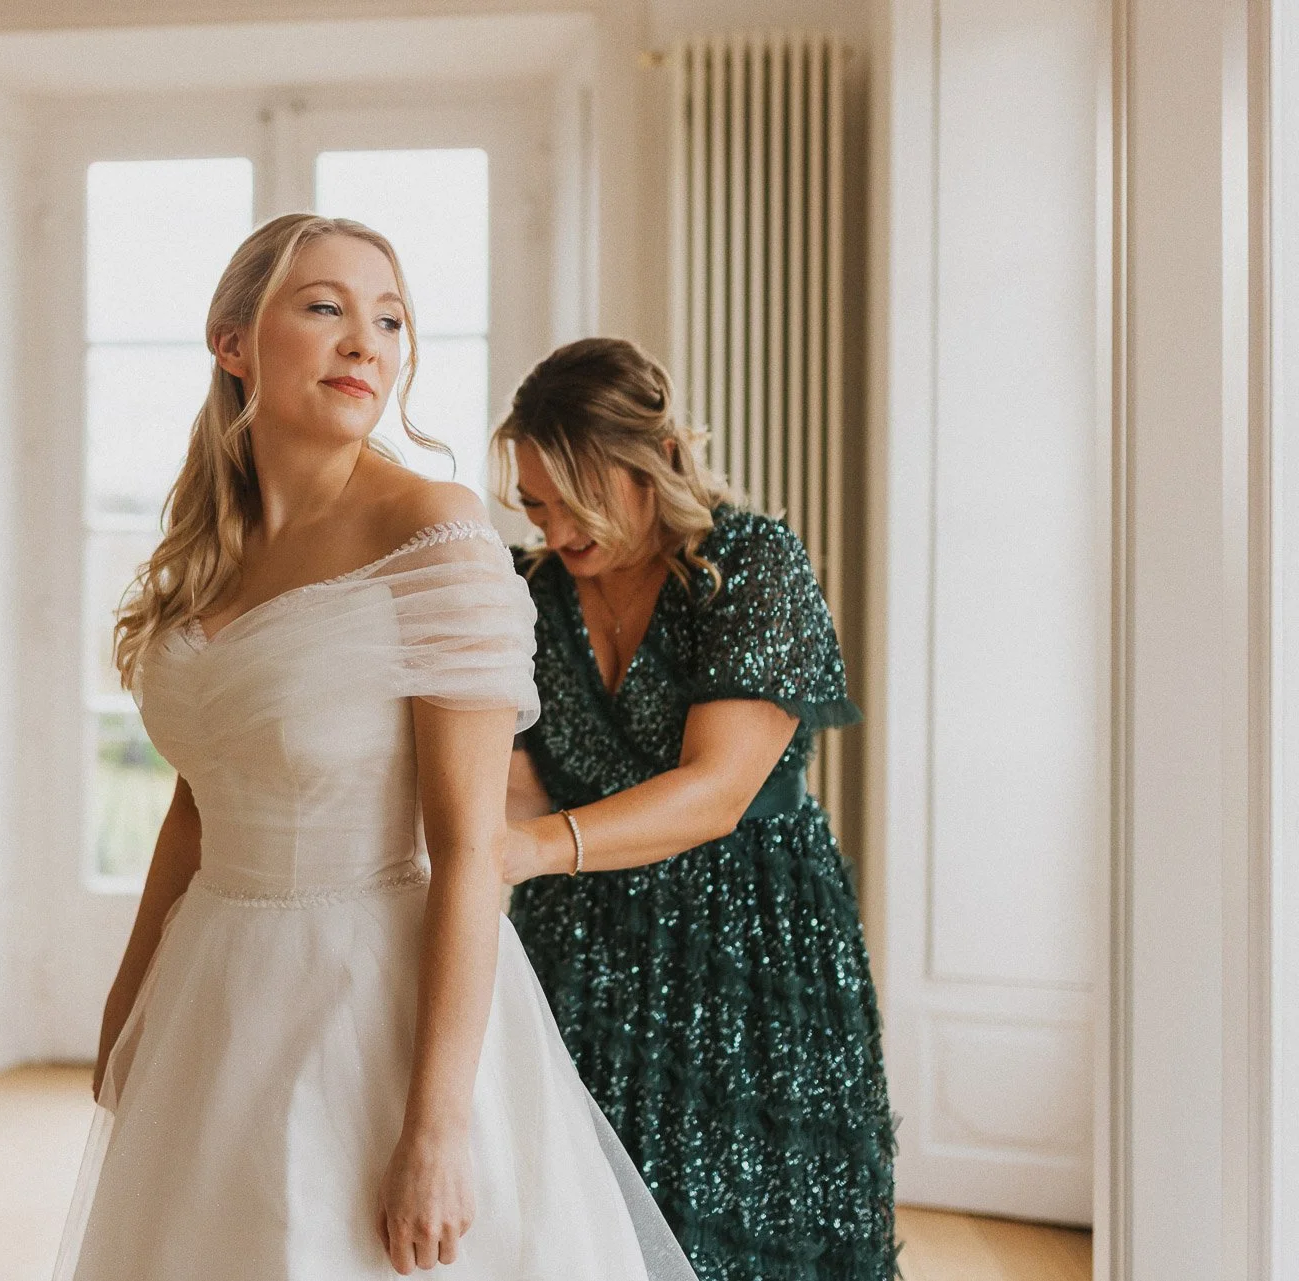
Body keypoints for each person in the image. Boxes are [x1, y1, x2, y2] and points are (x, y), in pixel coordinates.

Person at [52, 217, 697, 1281]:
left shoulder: (433, 536)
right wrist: (131, 1001)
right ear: (233, 342)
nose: (367, 343)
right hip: (213, 996)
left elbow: (471, 849)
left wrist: (435, 1132)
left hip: (368, 1005)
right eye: (326, 307)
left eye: (390, 319)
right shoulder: (208, 553)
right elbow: (201, 798)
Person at [496, 338, 898, 1281]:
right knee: (585, 1215)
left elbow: (718, 790)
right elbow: (520, 782)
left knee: (747, 1223)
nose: (558, 530)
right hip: (582, 942)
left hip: (747, 941)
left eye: (580, 497)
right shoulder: (526, 591)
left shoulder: (749, 564)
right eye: (535, 503)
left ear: (653, 464)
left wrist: (531, 847)